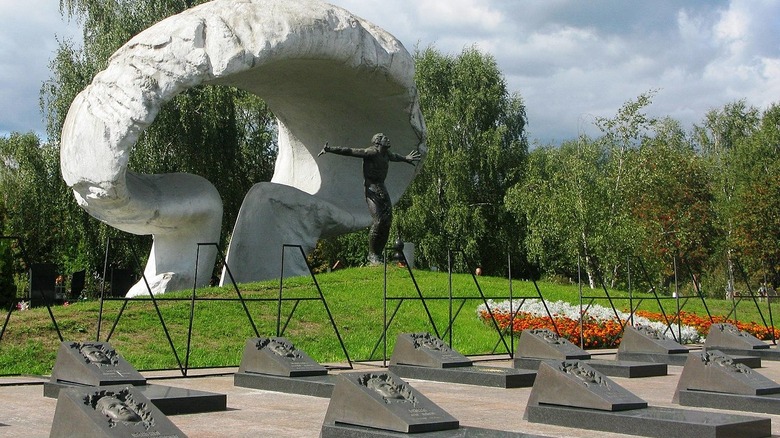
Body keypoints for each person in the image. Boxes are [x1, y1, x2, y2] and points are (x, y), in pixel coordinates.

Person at [319, 133, 421, 265]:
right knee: (378, 221)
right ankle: (373, 255)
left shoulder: (386, 154)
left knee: (387, 221)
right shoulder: (371, 152)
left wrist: (406, 158)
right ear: (378, 142)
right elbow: (350, 151)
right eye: (384, 138)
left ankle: (378, 254)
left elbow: (395, 157)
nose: (388, 138)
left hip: (382, 188)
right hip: (371, 189)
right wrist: (330, 149)